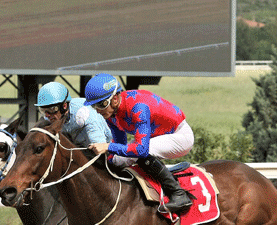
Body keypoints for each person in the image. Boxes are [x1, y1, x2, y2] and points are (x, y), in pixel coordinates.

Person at [82, 73, 193, 213]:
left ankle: (178, 194)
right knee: (116, 160)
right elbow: (119, 146)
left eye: (101, 104)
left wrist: (108, 146)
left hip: (179, 136)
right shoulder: (110, 114)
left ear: (115, 98)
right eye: (94, 106)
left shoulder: (138, 107)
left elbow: (141, 150)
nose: (98, 111)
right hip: (157, 137)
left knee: (140, 153)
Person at [35, 81, 112, 148]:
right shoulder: (49, 118)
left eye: (51, 110)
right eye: (43, 110)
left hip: (107, 148)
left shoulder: (84, 113)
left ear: (64, 106)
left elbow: (100, 146)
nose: (47, 116)